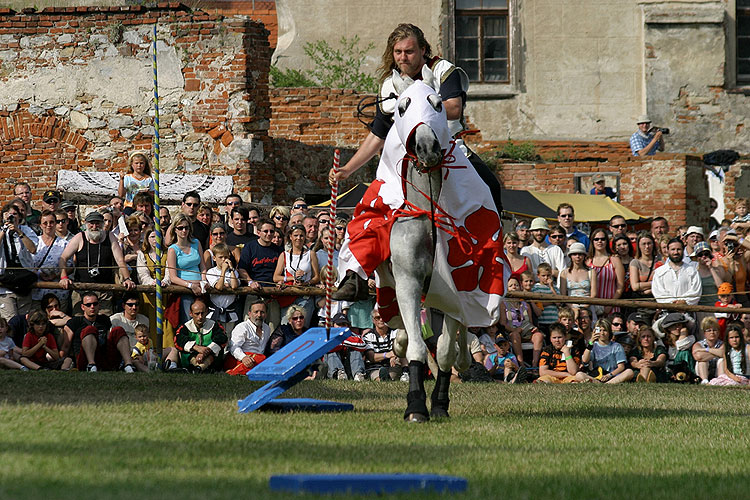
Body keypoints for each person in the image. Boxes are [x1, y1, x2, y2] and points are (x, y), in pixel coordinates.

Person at [329, 23, 503, 300]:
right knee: (370, 207)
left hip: (447, 150)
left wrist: (415, 107)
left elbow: (454, 107)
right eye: (397, 51)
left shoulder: (442, 70)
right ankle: (355, 274)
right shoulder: (389, 84)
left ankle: (488, 262)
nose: (403, 57)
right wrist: (349, 168)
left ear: (423, 50)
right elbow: (378, 134)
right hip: (402, 158)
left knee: (490, 188)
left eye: (409, 51)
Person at [59, 211, 135, 314]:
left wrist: (127, 279)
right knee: (80, 321)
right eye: (91, 223)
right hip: (81, 290)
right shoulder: (79, 237)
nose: (94, 226)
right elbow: (63, 258)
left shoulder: (110, 236)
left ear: (102, 224)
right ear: (86, 224)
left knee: (104, 321)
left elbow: (120, 260)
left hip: (104, 291)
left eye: (97, 223)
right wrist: (64, 277)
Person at [62, 291, 135, 372]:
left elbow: (109, 340)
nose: (92, 307)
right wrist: (62, 361)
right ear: (83, 307)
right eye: (88, 305)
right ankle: (91, 365)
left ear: (99, 305)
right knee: (90, 330)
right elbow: (66, 346)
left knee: (118, 330)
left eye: (95, 304)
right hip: (84, 358)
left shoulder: (104, 320)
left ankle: (128, 365)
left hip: (103, 358)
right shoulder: (74, 322)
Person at [238, 218, 283, 329]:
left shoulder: (279, 250)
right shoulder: (250, 247)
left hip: (273, 294)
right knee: (249, 328)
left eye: (272, 231)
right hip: (254, 292)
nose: (269, 234)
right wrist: (250, 282)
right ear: (258, 232)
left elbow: (282, 271)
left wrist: (281, 280)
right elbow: (241, 269)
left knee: (273, 328)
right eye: (266, 231)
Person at [273, 224, 320, 327]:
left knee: (302, 327)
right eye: (296, 235)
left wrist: (306, 282)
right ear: (291, 237)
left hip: (305, 297)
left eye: (301, 235)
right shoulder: (284, 254)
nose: (298, 238)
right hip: (289, 295)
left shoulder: (310, 254)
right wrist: (292, 278)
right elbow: (276, 277)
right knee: (286, 326)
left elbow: (317, 277)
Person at [0, 202, 38, 320]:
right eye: (9, 214)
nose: (12, 217)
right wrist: (4, 229)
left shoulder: (26, 230)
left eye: (15, 214)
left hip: (23, 281)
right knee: (10, 320)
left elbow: (32, 249)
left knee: (24, 320)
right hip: (5, 284)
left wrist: (19, 232)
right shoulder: (1, 231)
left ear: (20, 217)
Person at [166, 213, 207, 323]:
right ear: (175, 229)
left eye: (186, 227)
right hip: (184, 290)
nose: (184, 230)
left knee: (204, 321)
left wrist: (203, 281)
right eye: (180, 228)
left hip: (200, 289)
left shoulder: (196, 243)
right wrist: (190, 286)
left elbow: (202, 266)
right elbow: (173, 277)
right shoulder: (172, 250)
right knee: (188, 322)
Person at [172, 298, 227, 372]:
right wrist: (195, 347)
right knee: (186, 352)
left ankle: (200, 368)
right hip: (191, 357)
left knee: (215, 352)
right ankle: (197, 368)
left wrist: (205, 352)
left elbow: (222, 339)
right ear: (191, 313)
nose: (200, 317)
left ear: (207, 312)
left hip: (211, 358)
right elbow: (178, 341)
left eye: (202, 313)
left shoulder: (215, 325)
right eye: (197, 314)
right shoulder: (184, 327)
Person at [32, 210, 70, 312]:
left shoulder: (64, 244)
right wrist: (38, 273)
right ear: (40, 225)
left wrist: (56, 275)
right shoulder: (34, 242)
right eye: (45, 223)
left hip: (58, 293)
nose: (49, 225)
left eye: (52, 222)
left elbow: (71, 266)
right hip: (37, 292)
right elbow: (27, 264)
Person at [501, 276, 543, 367]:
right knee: (515, 335)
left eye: (516, 285)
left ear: (520, 287)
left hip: (527, 332)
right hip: (512, 332)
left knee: (538, 335)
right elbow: (503, 323)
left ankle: (535, 365)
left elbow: (530, 322)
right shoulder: (503, 304)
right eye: (511, 285)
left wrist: (534, 329)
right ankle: (521, 364)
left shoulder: (525, 305)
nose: (514, 287)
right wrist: (514, 330)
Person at [577, 319, 633, 383]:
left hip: (613, 376)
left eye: (605, 330)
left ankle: (607, 384)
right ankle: (599, 383)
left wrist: (609, 375)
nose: (602, 333)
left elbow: (621, 367)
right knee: (579, 375)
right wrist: (590, 343)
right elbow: (585, 361)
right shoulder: (593, 346)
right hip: (598, 375)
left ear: (609, 332)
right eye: (600, 330)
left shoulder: (616, 346)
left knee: (629, 372)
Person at [226, 299, 270, 376]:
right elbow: (233, 347)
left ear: (266, 314)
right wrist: (243, 357)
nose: (259, 315)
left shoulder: (267, 328)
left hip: (257, 359)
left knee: (264, 359)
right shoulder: (242, 327)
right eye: (256, 312)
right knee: (263, 360)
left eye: (262, 312)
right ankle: (233, 371)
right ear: (249, 314)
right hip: (240, 359)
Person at [651, 237, 701, 306]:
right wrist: (672, 303)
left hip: (687, 311)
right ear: (668, 251)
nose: (676, 252)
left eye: (678, 249)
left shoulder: (692, 271)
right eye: (673, 249)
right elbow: (658, 292)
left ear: (683, 250)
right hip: (666, 312)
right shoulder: (659, 272)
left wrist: (684, 302)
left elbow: (696, 291)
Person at [362, 307, 407, 381]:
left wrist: (394, 355)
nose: (381, 320)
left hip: (392, 365)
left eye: (383, 317)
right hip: (374, 367)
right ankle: (384, 378)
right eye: (378, 318)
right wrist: (387, 355)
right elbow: (371, 357)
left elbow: (400, 348)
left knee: (401, 353)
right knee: (377, 376)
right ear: (373, 320)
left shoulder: (395, 332)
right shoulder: (368, 336)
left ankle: (405, 373)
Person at [588, 228, 625, 316]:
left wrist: (610, 305)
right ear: (592, 241)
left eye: (603, 239)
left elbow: (620, 287)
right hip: (592, 307)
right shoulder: (587, 261)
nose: (599, 241)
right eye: (596, 239)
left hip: (612, 306)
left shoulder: (615, 260)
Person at [205, 243, 239, 333]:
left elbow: (235, 286)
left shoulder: (233, 272)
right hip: (214, 312)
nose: (224, 260)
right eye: (220, 257)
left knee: (228, 337)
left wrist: (231, 269)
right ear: (214, 258)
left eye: (226, 257)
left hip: (230, 312)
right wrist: (223, 271)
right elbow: (219, 287)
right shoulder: (211, 272)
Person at [559, 242, 597, 319]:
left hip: (588, 307)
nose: (578, 257)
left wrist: (584, 307)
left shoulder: (591, 272)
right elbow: (563, 295)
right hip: (570, 309)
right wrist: (573, 308)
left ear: (584, 256)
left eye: (580, 254)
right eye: (574, 254)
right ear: (570, 256)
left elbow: (593, 294)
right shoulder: (564, 273)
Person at [692, 316, 724, 384]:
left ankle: (721, 380)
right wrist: (716, 352)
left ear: (718, 332)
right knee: (702, 361)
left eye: (715, 330)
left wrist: (705, 350)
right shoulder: (698, 344)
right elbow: (699, 357)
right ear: (704, 333)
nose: (712, 332)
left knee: (722, 360)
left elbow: (723, 353)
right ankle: (705, 381)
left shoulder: (722, 344)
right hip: (702, 370)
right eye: (709, 330)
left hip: (717, 370)